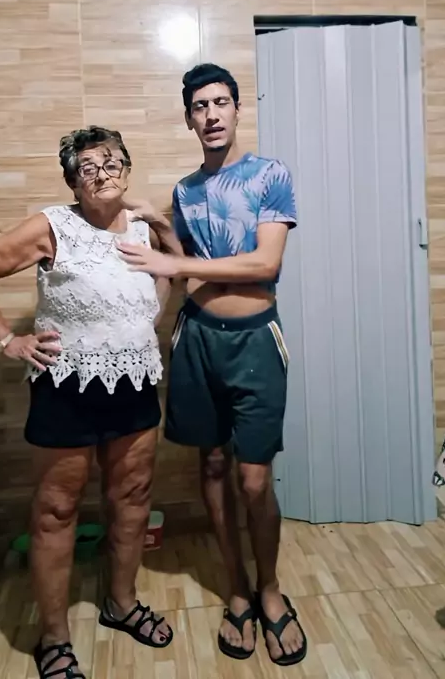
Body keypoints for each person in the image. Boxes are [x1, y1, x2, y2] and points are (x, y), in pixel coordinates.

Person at [0, 125, 181, 679]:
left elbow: (174, 271)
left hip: (134, 380)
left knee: (132, 496)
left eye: (112, 163)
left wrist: (160, 229)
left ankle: (122, 604)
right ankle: (54, 638)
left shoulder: (142, 226)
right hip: (66, 387)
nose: (103, 174)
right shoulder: (52, 225)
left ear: (127, 170)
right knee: (56, 511)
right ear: (72, 181)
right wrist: (7, 340)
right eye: (88, 167)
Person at [118, 64, 307, 667]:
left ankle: (270, 588)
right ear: (189, 118)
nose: (212, 114)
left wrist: (176, 264)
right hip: (196, 336)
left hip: (255, 340)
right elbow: (186, 264)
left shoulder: (270, 174)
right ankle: (236, 589)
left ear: (236, 109)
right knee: (214, 463)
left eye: (221, 102)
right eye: (200, 106)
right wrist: (162, 228)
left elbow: (264, 264)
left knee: (254, 478)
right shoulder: (186, 190)